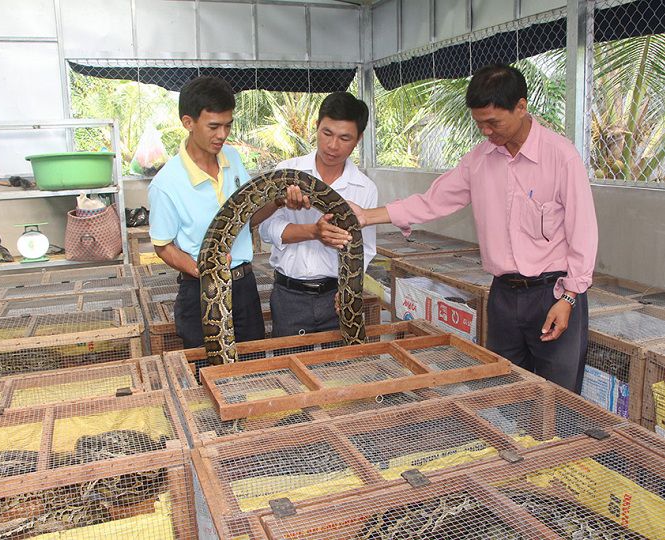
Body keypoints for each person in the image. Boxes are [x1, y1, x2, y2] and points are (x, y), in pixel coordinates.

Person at [350, 64, 597, 393]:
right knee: (504, 388)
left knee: (558, 394)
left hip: (552, 295)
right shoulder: (479, 161)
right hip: (503, 296)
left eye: (492, 122)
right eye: (479, 123)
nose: (485, 132)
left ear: (521, 107)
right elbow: (431, 201)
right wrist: (367, 216)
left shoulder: (561, 157)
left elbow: (583, 233)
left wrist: (569, 296)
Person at [148, 76, 290, 349]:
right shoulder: (167, 184)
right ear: (188, 122)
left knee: (253, 370)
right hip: (200, 290)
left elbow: (247, 219)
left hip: (244, 286)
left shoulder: (233, 159)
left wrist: (278, 202)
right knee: (208, 375)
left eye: (227, 125)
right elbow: (163, 246)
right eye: (213, 126)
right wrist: (204, 272)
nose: (222, 135)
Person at [258, 92, 378, 337]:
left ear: (358, 139)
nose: (333, 146)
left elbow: (364, 249)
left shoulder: (365, 188)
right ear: (317, 127)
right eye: (327, 133)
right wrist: (312, 231)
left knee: (340, 370)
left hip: (335, 297)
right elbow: (265, 231)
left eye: (345, 138)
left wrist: (348, 292)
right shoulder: (287, 172)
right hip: (289, 296)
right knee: (288, 370)